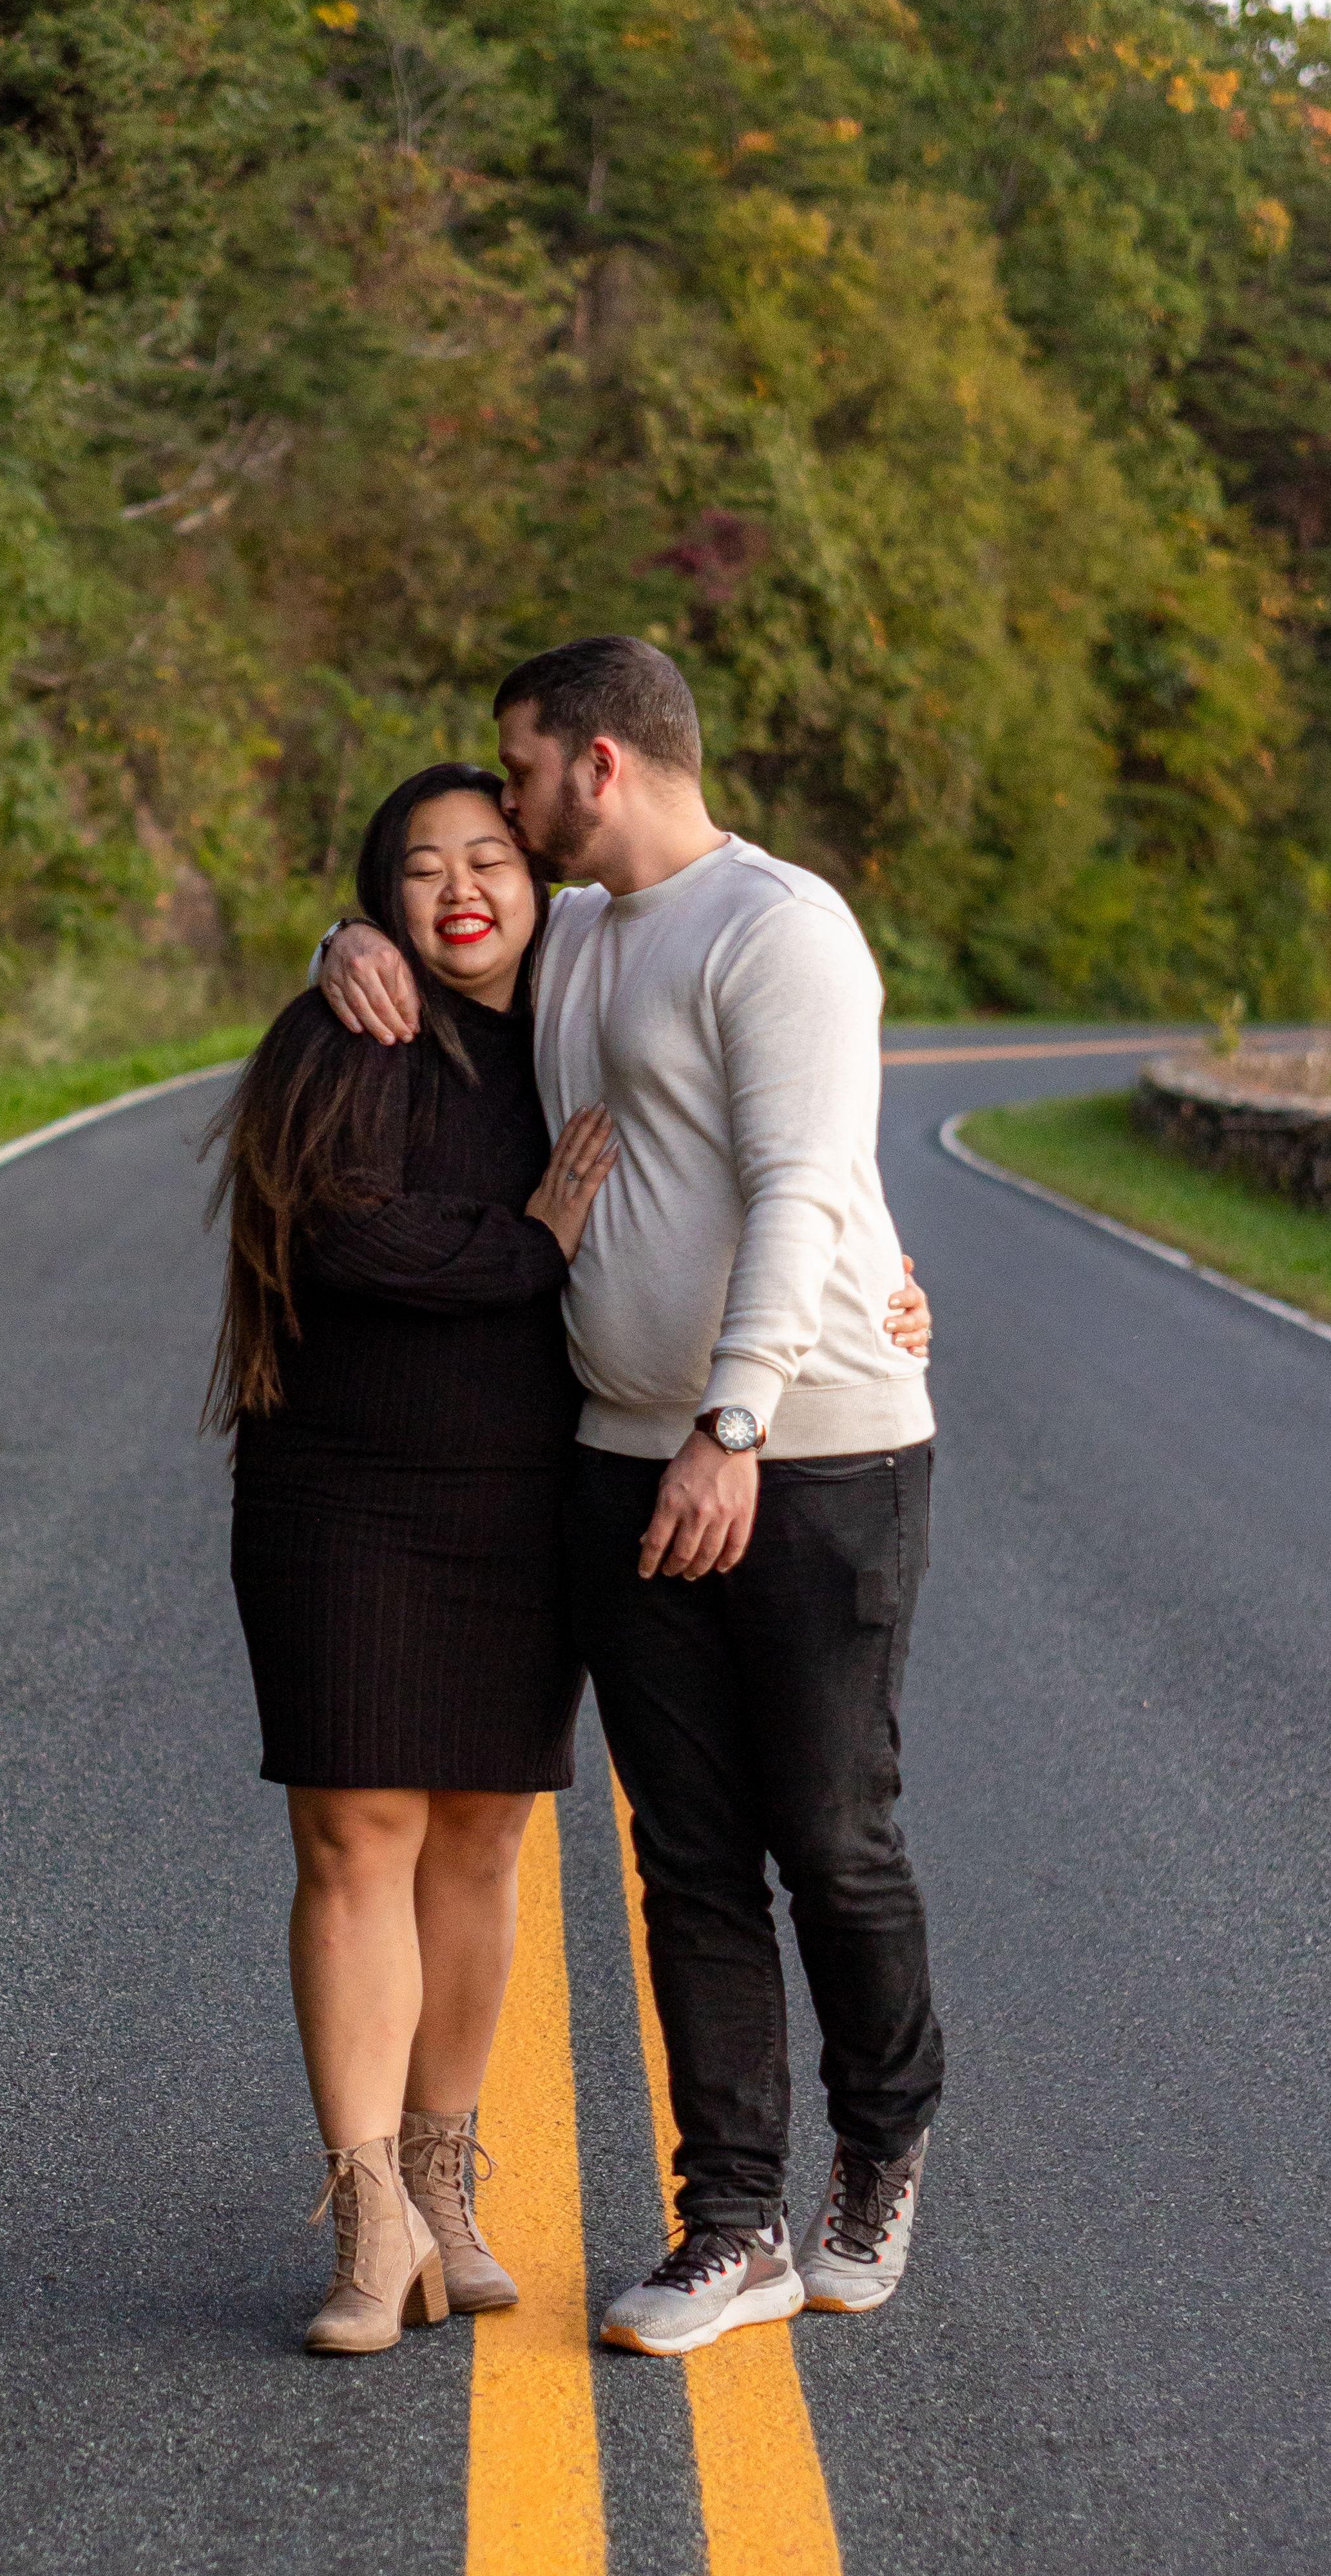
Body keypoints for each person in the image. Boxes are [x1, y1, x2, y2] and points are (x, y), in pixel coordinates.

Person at [211, 759, 934, 2358]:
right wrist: (531, 1238)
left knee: (480, 1840)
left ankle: (444, 2187)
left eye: (491, 856)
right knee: (357, 1837)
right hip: (347, 1493)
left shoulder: (575, 1010)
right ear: (378, 896)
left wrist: (876, 1274)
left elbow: (757, 1146)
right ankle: (369, 2226)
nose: (459, 890)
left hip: (528, 1496)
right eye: (418, 870)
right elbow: (339, 1233)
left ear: (543, 882)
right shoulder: (343, 1029)